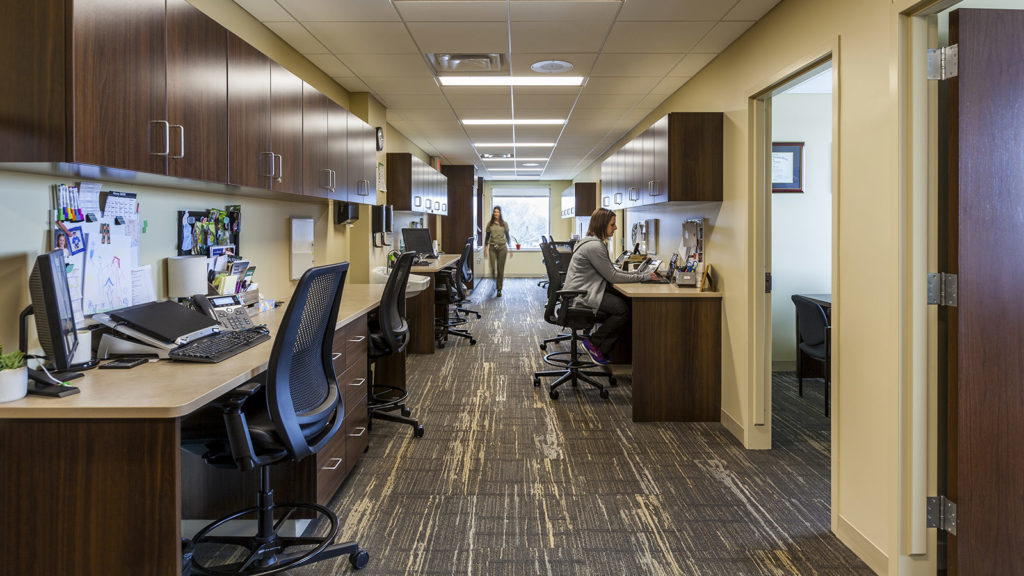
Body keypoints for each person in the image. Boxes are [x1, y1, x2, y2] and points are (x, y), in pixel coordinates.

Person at [561, 208, 658, 365]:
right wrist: (643, 277)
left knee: (624, 304)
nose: (615, 228)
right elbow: (612, 276)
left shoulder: (590, 242)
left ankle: (603, 348)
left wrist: (638, 276)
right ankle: (594, 343)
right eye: (612, 224)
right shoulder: (595, 246)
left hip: (582, 291)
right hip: (581, 295)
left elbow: (611, 272)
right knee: (622, 310)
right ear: (602, 225)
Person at [483, 206, 512, 297]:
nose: (496, 213)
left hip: (502, 248)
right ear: (493, 213)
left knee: (500, 269)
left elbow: (508, 236)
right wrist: (485, 248)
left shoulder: (504, 224)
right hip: (492, 247)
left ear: (500, 213)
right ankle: (494, 282)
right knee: (492, 267)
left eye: (498, 212)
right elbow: (487, 236)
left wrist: (510, 248)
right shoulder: (490, 224)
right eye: (495, 212)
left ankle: (499, 289)